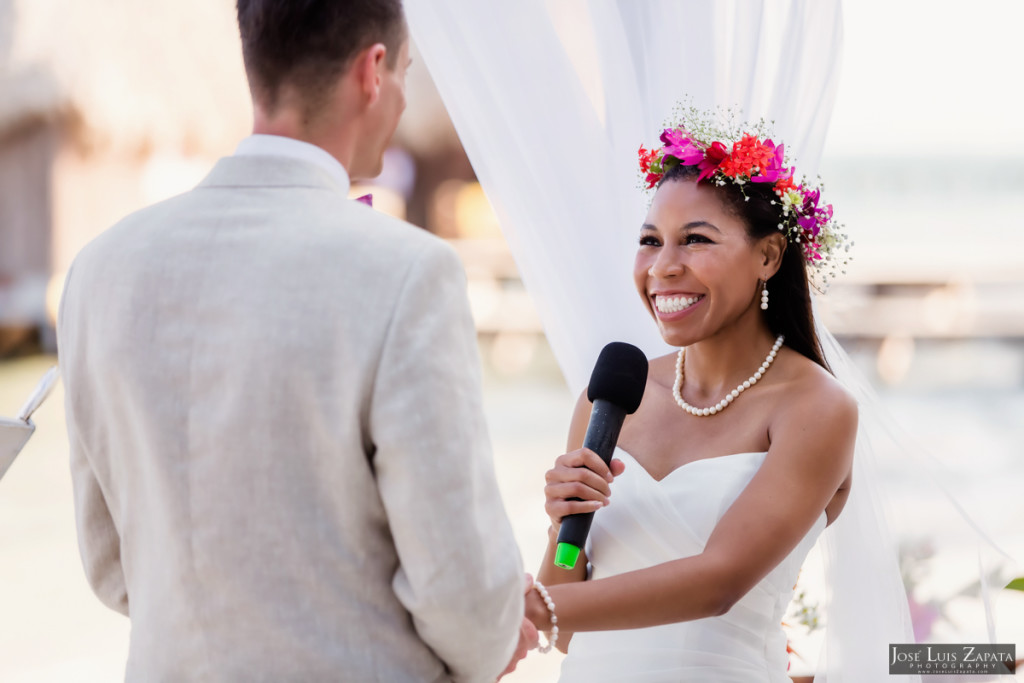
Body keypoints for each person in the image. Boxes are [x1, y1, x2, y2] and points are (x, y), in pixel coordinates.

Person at [56, 1, 532, 680]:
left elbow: (110, 564)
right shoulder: (407, 272)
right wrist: (497, 624)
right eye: (405, 71)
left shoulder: (100, 269)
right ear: (374, 72)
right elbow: (462, 596)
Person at [525, 122, 862, 682]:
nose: (662, 267)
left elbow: (719, 580)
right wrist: (566, 527)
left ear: (770, 257)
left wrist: (526, 610)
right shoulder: (607, 397)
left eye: (696, 239)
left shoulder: (815, 409)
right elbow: (566, 627)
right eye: (651, 240)